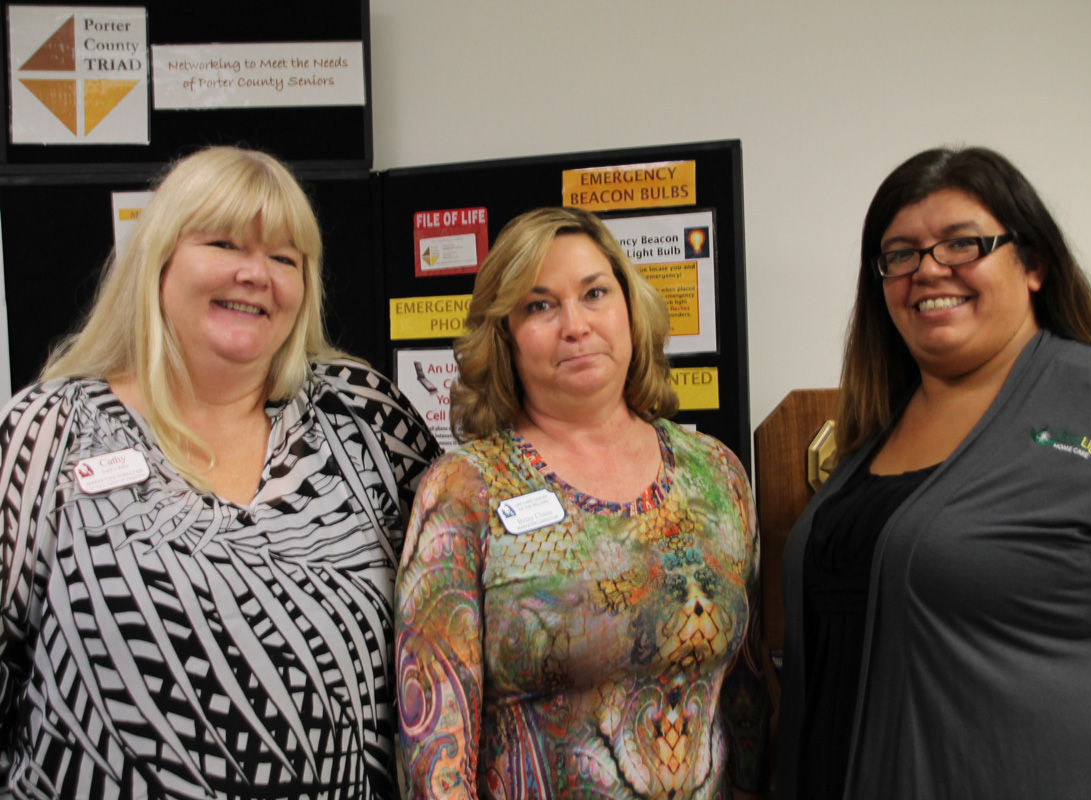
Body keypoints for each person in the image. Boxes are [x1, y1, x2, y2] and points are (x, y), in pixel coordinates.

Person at [0, 146, 442, 799]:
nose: (255, 274)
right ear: (160, 261)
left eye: (284, 258)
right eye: (225, 243)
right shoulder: (47, 431)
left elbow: (464, 609)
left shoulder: (368, 421)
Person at [775, 146, 1091, 799]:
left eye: (961, 244)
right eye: (901, 254)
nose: (927, 269)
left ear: (1032, 264)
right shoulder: (869, 437)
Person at [394, 207, 770, 798]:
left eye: (594, 293)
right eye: (539, 305)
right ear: (506, 335)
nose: (575, 324)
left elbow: (747, 704)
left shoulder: (718, 475)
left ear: (629, 307)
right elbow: (433, 751)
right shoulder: (467, 490)